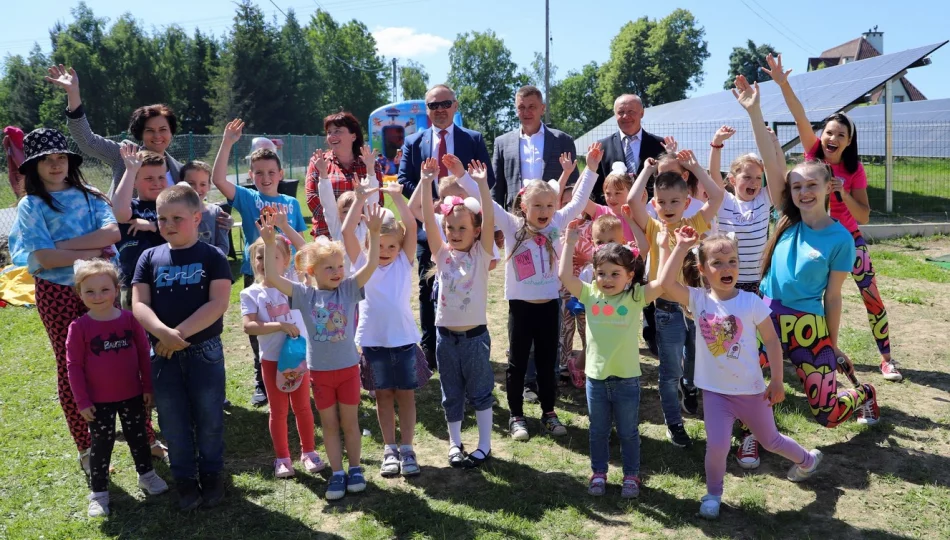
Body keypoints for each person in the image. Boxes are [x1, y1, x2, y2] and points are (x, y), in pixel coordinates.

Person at [14, 128, 170, 475]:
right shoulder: (31, 205)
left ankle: (144, 436)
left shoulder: (91, 195)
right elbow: (43, 257)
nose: (56, 165)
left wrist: (62, 250)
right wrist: (86, 251)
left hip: (104, 289)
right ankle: (87, 448)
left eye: (61, 158)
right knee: (73, 365)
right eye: (46, 160)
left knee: (125, 358)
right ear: (34, 167)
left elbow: (113, 232)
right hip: (56, 294)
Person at [735, 75, 881, 433]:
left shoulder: (841, 240)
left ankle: (865, 393)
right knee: (742, 378)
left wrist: (831, 343)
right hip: (764, 315)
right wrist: (755, 112)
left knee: (827, 416)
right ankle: (751, 435)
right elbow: (771, 164)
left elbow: (833, 298)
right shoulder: (786, 217)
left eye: (811, 185)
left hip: (807, 325)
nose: (802, 192)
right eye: (796, 186)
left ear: (828, 187)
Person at [657, 228, 822, 520]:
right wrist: (681, 246)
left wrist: (778, 380)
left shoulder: (751, 302)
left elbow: (772, 341)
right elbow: (665, 284)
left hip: (751, 391)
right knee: (718, 445)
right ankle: (713, 494)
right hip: (716, 393)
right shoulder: (698, 300)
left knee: (770, 441)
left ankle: (807, 459)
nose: (726, 268)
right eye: (717, 263)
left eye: (732, 261)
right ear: (703, 270)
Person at [764, 53, 901, 383]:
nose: (832, 138)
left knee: (872, 297)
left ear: (849, 141)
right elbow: (799, 116)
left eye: (840, 134)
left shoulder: (854, 171)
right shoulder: (812, 154)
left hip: (847, 239)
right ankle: (795, 348)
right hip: (811, 236)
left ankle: (886, 359)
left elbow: (864, 216)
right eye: (828, 132)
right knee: (799, 292)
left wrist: (841, 193)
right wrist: (783, 83)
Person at [457, 143, 599, 441]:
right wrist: (465, 178)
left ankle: (549, 412)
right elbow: (488, 205)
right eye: (537, 206)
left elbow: (579, 200)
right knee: (518, 363)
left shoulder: (558, 222)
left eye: (549, 205)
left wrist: (592, 168)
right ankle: (517, 416)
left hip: (550, 306)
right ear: (524, 207)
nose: (544, 211)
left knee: (549, 363)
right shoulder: (512, 226)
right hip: (520, 308)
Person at [262, 207, 383, 501]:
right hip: (320, 374)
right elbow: (273, 278)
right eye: (329, 268)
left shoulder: (349, 290)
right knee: (329, 425)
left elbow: (370, 267)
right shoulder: (305, 295)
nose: (338, 272)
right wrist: (268, 244)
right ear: (312, 272)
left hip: (348, 370)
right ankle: (337, 473)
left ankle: (355, 469)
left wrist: (376, 234)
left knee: (350, 423)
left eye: (340, 266)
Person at [132, 184, 232, 511]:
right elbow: (139, 305)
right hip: (162, 354)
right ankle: (185, 480)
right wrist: (163, 334)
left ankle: (212, 474)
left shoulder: (212, 256)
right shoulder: (149, 257)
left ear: (196, 217)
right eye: (162, 219)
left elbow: (218, 303)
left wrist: (179, 334)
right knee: (172, 421)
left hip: (204, 351)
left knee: (209, 416)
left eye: (177, 217)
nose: (169, 224)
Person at [559, 216, 670, 499]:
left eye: (614, 273)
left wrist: (668, 247)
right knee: (597, 431)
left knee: (628, 432)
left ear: (630, 275)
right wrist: (570, 244)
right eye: (601, 273)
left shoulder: (635, 298)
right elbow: (564, 277)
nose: (606, 280)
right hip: (595, 379)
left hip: (627, 380)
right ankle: (599, 472)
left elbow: (665, 282)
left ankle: (631, 475)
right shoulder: (590, 294)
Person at [625, 148, 724, 448]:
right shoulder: (654, 225)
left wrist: (696, 169)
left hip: (695, 308)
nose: (668, 207)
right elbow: (631, 201)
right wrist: (646, 170)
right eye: (662, 202)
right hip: (666, 310)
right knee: (669, 373)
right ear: (654, 203)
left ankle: (689, 387)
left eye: (674, 201)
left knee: (693, 365)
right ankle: (673, 422)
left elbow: (717, 198)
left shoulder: (694, 224)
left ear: (686, 202)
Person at [398, 84, 495, 371]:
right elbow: (404, 179)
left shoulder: (473, 139)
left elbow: (486, 180)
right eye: (433, 105)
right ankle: (431, 347)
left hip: (463, 227)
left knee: (467, 284)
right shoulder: (414, 141)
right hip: (429, 226)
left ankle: (470, 338)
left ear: (455, 106)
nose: (439, 110)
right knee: (429, 287)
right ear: (427, 111)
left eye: (445, 104)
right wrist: (434, 203)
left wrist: (460, 207)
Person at [213, 119, 308, 407]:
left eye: (270, 172)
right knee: (261, 327)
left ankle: (296, 371)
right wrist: (228, 141)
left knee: (293, 325)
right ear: (251, 175)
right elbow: (218, 180)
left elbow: (303, 245)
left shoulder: (291, 204)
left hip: (289, 279)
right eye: (259, 173)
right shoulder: (248, 197)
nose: (265, 177)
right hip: (258, 279)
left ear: (280, 174)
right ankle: (262, 380)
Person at [66, 259, 169, 517]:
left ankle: (147, 474)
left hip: (133, 395)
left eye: (104, 289)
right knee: (101, 444)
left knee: (139, 437)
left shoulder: (130, 320)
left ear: (117, 289)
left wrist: (148, 387)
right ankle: (99, 492)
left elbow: (145, 356)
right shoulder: (78, 328)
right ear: (79, 294)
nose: (98, 296)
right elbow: (74, 366)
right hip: (98, 402)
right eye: (89, 291)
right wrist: (82, 401)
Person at [419, 156, 496, 468]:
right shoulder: (441, 254)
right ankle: (455, 443)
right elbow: (426, 218)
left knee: (480, 393)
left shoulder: (481, 254)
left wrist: (481, 186)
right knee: (450, 394)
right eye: (450, 227)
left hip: (475, 340)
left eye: (462, 227)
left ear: (475, 231)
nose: (454, 232)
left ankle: (485, 446)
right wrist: (426, 183)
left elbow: (490, 219)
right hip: (444, 339)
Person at [343, 181, 423, 478]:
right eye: (380, 244)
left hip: (403, 342)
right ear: (369, 243)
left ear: (400, 248)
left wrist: (397, 197)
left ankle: (407, 448)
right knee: (383, 397)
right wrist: (360, 197)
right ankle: (389, 448)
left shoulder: (404, 262)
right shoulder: (363, 263)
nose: (386, 251)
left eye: (393, 245)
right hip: (373, 342)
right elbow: (346, 232)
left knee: (406, 396)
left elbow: (412, 227)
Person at [240, 235, 325, 479]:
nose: (265, 261)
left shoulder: (294, 288)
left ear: (286, 260)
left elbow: (307, 253)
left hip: (298, 359)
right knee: (278, 410)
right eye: (260, 256)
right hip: (272, 361)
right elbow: (249, 326)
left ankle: (308, 452)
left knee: (302, 407)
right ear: (252, 260)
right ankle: (283, 458)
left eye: (273, 255)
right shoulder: (250, 293)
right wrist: (279, 325)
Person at [46, 65, 181, 196]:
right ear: (141, 133)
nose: (157, 135)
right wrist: (73, 92)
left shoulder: (181, 170)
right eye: (150, 130)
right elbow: (87, 140)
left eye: (163, 129)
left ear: (171, 132)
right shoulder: (124, 154)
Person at [708, 124, 784, 294]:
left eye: (758, 177)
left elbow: (780, 174)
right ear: (732, 180)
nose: (754, 182)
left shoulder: (764, 199)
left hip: (759, 279)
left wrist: (775, 144)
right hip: (728, 279)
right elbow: (714, 174)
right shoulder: (724, 201)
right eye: (747, 177)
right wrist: (716, 144)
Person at [491, 85, 579, 210]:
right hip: (515, 218)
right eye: (521, 107)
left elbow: (573, 185)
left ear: (542, 109)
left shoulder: (563, 141)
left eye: (532, 107)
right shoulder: (502, 143)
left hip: (553, 217)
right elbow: (496, 189)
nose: (526, 112)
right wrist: (496, 225)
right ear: (516, 110)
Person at [305, 112, 384, 239]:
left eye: (337, 131)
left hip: (362, 235)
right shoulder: (319, 162)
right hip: (328, 234)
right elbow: (312, 198)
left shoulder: (369, 163)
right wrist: (336, 222)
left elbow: (377, 200)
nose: (332, 136)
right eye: (329, 132)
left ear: (353, 136)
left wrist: (356, 222)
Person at [112, 145, 169, 309]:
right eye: (149, 178)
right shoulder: (131, 206)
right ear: (134, 182)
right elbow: (120, 213)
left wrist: (152, 226)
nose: (157, 183)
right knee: (137, 332)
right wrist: (130, 170)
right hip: (133, 283)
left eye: (161, 177)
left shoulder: (171, 206)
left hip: (168, 278)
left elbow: (181, 231)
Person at [593, 94, 666, 203]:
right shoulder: (602, 147)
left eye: (631, 111)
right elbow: (595, 188)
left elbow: (666, 182)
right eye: (621, 112)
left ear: (642, 113)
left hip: (649, 213)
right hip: (614, 214)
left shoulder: (660, 145)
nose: (626, 116)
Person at [181, 160, 231, 256]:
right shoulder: (175, 213)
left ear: (209, 186)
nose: (197, 188)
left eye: (203, 184)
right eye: (191, 183)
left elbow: (223, 247)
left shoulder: (216, 212)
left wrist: (208, 261)